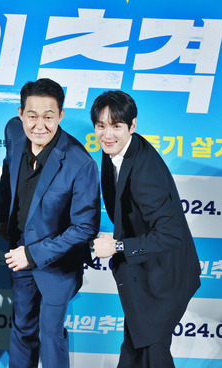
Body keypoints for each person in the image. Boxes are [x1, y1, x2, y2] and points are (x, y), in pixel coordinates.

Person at [91, 90, 201, 367]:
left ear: (132, 126)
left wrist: (117, 245)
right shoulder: (114, 151)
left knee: (151, 353)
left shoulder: (144, 172)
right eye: (101, 126)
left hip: (166, 278)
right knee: (134, 352)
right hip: (144, 273)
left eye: (116, 126)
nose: (107, 134)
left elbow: (170, 234)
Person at [0, 78, 100, 368]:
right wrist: (3, 217)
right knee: (22, 328)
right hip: (19, 252)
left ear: (61, 116)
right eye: (32, 116)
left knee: (49, 333)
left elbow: (85, 228)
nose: (38, 125)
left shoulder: (81, 163)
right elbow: (8, 174)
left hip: (57, 264)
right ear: (20, 114)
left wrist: (32, 254)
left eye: (48, 117)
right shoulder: (14, 134)